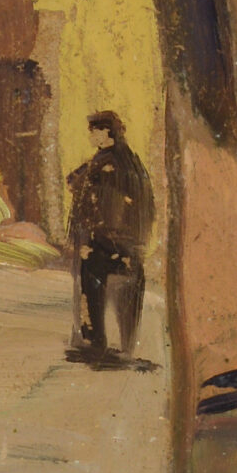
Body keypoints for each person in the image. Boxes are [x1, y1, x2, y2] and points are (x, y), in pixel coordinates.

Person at [66, 109, 154, 361]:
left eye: (94, 131)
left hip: (110, 238)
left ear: (106, 131)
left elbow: (79, 183)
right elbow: (73, 179)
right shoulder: (120, 159)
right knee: (95, 278)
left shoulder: (110, 162)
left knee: (91, 277)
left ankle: (94, 341)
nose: (91, 136)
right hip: (120, 239)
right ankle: (107, 341)